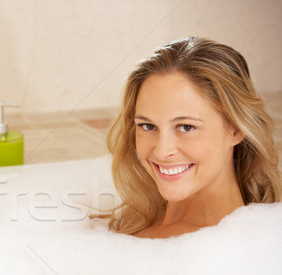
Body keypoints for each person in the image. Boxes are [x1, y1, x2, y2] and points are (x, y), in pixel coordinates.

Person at [105, 37, 281, 238]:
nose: (162, 151)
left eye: (186, 127)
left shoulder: (242, 250)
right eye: (148, 126)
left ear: (236, 129)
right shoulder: (129, 223)